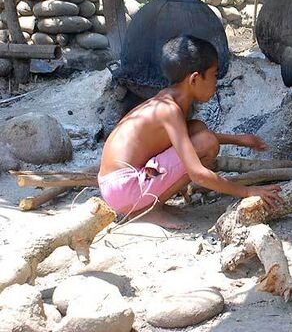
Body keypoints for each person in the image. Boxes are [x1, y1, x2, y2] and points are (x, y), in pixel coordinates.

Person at [97, 35, 282, 229]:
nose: (215, 82)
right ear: (194, 78)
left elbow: (186, 137)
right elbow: (197, 173)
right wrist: (248, 191)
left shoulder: (166, 101)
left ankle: (149, 203)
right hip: (125, 188)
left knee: (198, 129)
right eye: (213, 75)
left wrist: (240, 140)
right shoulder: (169, 110)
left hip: (117, 187)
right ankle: (146, 210)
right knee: (206, 143)